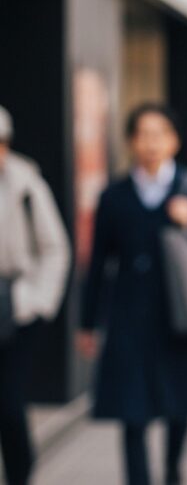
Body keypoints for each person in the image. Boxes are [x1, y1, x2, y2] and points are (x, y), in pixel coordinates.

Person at [78, 104, 187, 485]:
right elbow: (97, 261)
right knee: (132, 411)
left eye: (159, 134)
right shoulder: (114, 195)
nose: (151, 143)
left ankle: (174, 467)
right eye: (142, 135)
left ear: (174, 141)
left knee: (181, 405)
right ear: (130, 141)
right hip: (129, 314)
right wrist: (87, 321)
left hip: (180, 310)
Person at [0, 105, 70, 485]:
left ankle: (19, 475)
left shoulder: (27, 185)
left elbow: (55, 249)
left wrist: (40, 301)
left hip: (18, 307)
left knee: (10, 405)